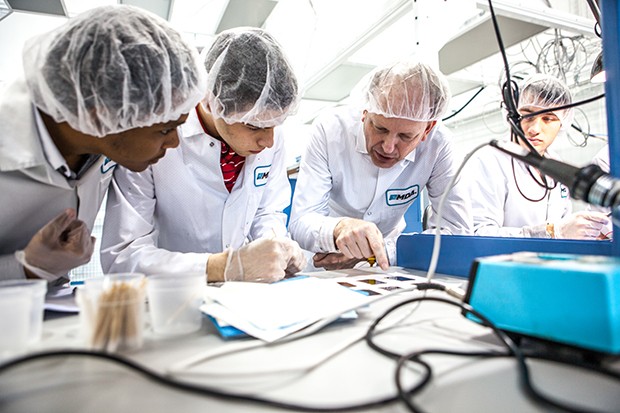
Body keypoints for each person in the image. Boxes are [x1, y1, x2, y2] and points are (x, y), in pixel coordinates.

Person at [0, 5, 206, 282]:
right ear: (103, 113)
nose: (174, 143)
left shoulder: (102, 147)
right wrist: (25, 269)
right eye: (165, 129)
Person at [100, 27, 306, 283]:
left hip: (244, 295)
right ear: (213, 101)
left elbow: (267, 211)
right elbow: (122, 255)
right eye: (254, 126)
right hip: (174, 295)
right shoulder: (155, 139)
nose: (269, 141)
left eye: (276, 124)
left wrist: (275, 246)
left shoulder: (270, 138)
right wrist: (221, 266)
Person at [288, 60, 472, 271]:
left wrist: (379, 251)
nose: (388, 147)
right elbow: (301, 220)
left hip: (387, 262)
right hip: (323, 257)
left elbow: (456, 232)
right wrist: (339, 229)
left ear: (427, 130)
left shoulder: (439, 145)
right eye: (380, 128)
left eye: (405, 136)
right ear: (365, 112)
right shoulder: (330, 130)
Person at [466, 73, 610, 239]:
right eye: (528, 115)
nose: (535, 129)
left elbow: (562, 221)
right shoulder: (488, 161)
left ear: (562, 123)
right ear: (511, 116)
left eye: (548, 118)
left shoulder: (556, 165)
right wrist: (551, 232)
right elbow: (479, 234)